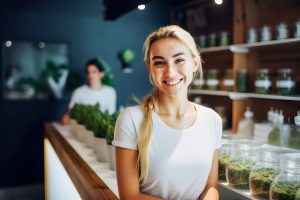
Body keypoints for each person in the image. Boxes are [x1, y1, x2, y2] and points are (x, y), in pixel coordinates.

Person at [112, 25, 222, 200]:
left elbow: (211, 187)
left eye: (179, 60)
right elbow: (130, 197)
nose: (170, 72)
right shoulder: (131, 119)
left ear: (194, 63)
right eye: (159, 62)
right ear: (149, 67)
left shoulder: (212, 119)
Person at [61, 58, 116, 125]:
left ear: (101, 74)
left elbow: (112, 115)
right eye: (88, 72)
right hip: (83, 128)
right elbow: (68, 115)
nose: (90, 75)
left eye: (94, 72)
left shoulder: (110, 92)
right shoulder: (79, 92)